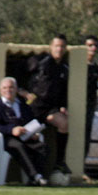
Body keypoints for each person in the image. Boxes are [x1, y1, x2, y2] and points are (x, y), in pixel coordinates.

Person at [0, 76, 47, 186]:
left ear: (16, 89)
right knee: (18, 146)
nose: (8, 90)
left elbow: (31, 120)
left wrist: (34, 133)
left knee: (40, 146)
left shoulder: (22, 105)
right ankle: (35, 176)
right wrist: (11, 130)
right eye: (5, 88)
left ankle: (38, 177)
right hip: (5, 139)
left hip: (25, 137)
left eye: (11, 87)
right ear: (1, 90)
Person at [27, 34, 70, 174]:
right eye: (57, 46)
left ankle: (59, 162)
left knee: (64, 123)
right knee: (30, 136)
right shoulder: (40, 61)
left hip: (50, 109)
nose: (59, 49)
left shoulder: (64, 67)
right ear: (51, 47)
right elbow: (21, 73)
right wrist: (22, 91)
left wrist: (63, 106)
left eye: (62, 46)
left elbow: (64, 89)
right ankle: (33, 171)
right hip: (34, 108)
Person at [84, 35, 98, 159]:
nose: (93, 48)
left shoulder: (95, 68)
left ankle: (82, 166)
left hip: (89, 106)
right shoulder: (78, 65)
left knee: (86, 136)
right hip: (77, 106)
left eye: (95, 45)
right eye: (90, 45)